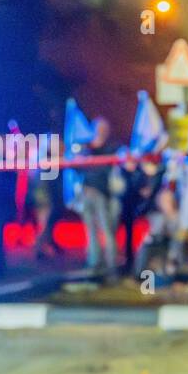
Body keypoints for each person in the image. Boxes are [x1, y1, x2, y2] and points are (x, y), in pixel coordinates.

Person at [79, 118, 118, 276]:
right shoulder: (86, 148)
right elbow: (77, 168)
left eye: (104, 129)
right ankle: (95, 263)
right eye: (98, 129)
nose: (101, 132)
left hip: (102, 194)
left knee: (106, 230)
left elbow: (107, 171)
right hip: (86, 193)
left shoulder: (111, 149)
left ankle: (111, 265)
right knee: (91, 231)